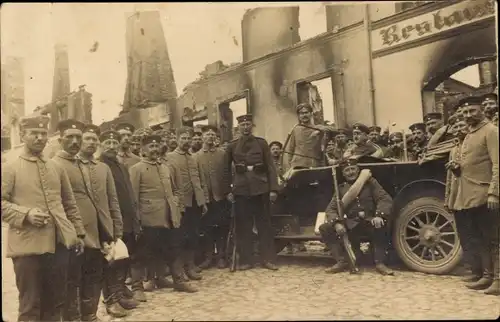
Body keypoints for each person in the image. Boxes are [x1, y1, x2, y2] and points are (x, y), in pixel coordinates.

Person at [2, 115, 85, 321]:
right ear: (23, 135)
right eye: (34, 133)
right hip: (26, 247)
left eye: (43, 134)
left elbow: (69, 204)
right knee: (30, 304)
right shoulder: (10, 168)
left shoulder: (56, 167)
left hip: (58, 245)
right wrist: (26, 214)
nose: (39, 138)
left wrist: (78, 234)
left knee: (55, 301)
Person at [51, 120, 124, 321]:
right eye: (72, 137)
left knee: (94, 275)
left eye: (80, 137)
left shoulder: (94, 167)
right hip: (73, 234)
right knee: (72, 279)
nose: (78, 141)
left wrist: (115, 228)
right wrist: (71, 233)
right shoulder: (56, 165)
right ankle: (73, 318)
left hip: (97, 232)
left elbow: (110, 200)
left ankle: (89, 315)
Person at [129, 134, 198, 293]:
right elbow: (134, 197)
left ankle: (177, 281)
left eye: (156, 146)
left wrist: (177, 206)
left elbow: (175, 190)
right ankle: (138, 286)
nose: (155, 149)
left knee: (173, 248)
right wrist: (137, 220)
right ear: (143, 150)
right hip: (148, 218)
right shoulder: (136, 169)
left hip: (169, 217)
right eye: (151, 147)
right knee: (144, 253)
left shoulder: (165, 167)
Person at [452, 96, 499, 295]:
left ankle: (498, 280)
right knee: (480, 237)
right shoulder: (470, 133)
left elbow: (497, 163)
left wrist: (494, 193)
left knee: (495, 238)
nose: (468, 115)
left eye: (472, 111)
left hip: (486, 195)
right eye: (465, 112)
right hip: (470, 195)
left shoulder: (491, 131)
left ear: (481, 110)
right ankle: (487, 276)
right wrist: (457, 168)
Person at [318, 158, 394, 276]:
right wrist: (337, 223)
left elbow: (384, 199)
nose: (351, 172)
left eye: (353, 169)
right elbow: (331, 209)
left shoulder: (370, 183)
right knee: (325, 228)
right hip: (352, 225)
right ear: (343, 173)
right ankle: (342, 261)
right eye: (347, 170)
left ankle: (380, 263)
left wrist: (379, 215)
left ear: (358, 170)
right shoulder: (341, 188)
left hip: (370, 221)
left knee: (382, 224)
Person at [225, 114, 279, 271]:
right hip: (241, 190)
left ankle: (267, 259)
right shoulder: (232, 146)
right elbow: (225, 171)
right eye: (242, 125)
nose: (245, 127)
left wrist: (273, 189)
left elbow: (270, 167)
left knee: (264, 225)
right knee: (243, 226)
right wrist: (228, 190)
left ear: (252, 126)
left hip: (261, 189)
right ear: (238, 127)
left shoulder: (261, 144)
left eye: (248, 124)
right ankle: (246, 260)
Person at [98, 130, 141, 316]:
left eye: (114, 142)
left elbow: (129, 194)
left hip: (127, 220)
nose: (111, 146)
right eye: (107, 142)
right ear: (101, 145)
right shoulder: (99, 166)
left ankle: (120, 290)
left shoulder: (121, 166)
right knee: (110, 261)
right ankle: (111, 299)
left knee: (124, 258)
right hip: (111, 221)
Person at [167, 127, 208, 281]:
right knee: (179, 238)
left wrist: (203, 202)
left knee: (193, 235)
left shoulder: (194, 157)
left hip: (195, 202)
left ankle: (190, 266)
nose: (186, 141)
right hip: (180, 204)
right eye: (183, 138)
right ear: (177, 139)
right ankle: (179, 269)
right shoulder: (170, 157)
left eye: (188, 139)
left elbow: (201, 180)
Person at [444, 115, 481, 283]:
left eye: (461, 125)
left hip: (471, 194)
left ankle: (483, 271)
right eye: (456, 126)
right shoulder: (454, 148)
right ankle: (473, 269)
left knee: (477, 234)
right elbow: (450, 178)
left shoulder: (474, 146)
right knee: (464, 234)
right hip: (457, 196)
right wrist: (448, 199)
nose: (459, 129)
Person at [195, 125, 230, 269]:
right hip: (205, 199)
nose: (210, 137)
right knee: (207, 228)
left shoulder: (223, 154)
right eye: (207, 134)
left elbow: (228, 174)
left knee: (222, 227)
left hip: (221, 197)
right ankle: (208, 257)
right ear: (202, 137)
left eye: (212, 135)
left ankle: (221, 256)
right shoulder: (195, 156)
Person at [286, 103, 326, 169]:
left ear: (311, 113)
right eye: (301, 113)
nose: (304, 115)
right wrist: (291, 163)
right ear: (298, 116)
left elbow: (333, 131)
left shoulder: (318, 128)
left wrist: (319, 130)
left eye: (306, 112)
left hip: (313, 164)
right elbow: (291, 149)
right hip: (298, 164)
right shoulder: (296, 129)